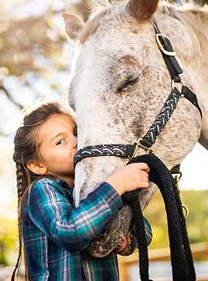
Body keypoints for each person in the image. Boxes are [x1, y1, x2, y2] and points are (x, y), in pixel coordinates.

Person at [12, 102, 152, 280]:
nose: (76, 142)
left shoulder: (98, 190)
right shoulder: (42, 189)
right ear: (37, 165)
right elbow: (71, 231)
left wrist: (124, 239)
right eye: (60, 141)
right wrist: (117, 184)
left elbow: (145, 234)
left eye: (76, 133)